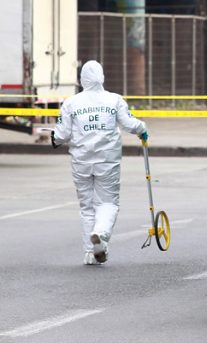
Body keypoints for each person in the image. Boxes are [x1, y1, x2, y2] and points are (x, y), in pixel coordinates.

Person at [52, 60, 148, 265]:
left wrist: (54, 137)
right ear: (102, 77)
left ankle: (91, 252)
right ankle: (101, 233)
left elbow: (61, 135)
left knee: (87, 207)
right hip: (107, 161)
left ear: (82, 79)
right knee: (108, 202)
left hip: (81, 161)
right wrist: (142, 129)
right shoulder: (114, 100)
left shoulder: (71, 103)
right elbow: (130, 124)